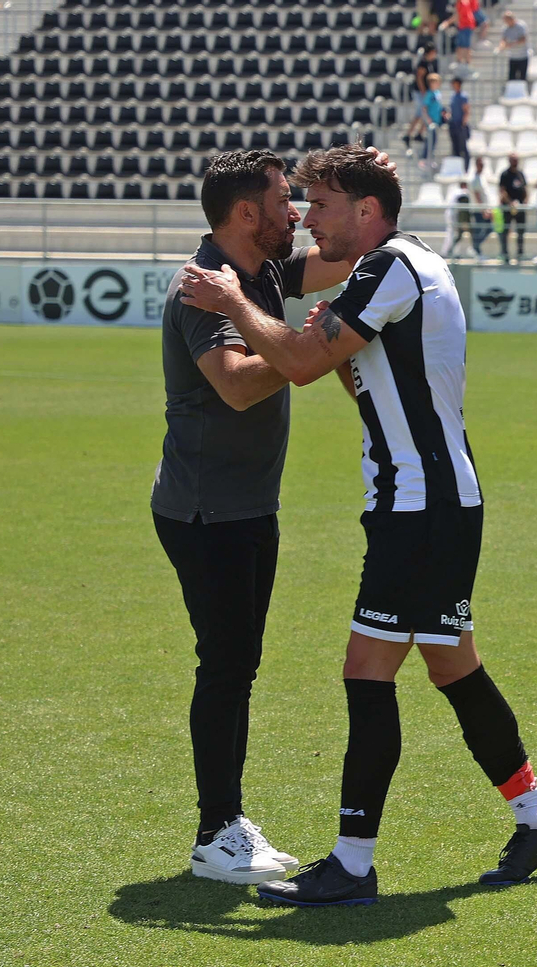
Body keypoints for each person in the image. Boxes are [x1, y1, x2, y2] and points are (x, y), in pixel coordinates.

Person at [177, 145, 537, 907]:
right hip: (440, 499)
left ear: (365, 210)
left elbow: (298, 363)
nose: (307, 220)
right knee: (453, 666)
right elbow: (365, 378)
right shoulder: (411, 261)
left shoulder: (387, 268)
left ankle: (353, 864)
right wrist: (329, 348)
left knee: (367, 670)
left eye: (321, 205)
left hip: (418, 506)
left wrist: (232, 303)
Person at [155, 148, 383, 886]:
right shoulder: (204, 287)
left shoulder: (263, 274)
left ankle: (227, 823)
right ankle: (215, 831)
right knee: (225, 666)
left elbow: (345, 253)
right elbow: (235, 386)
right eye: (286, 200)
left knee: (238, 664)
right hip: (204, 509)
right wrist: (302, 350)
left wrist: (368, 182)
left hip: (247, 505)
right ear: (246, 212)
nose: (296, 213)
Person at [405, 73, 444, 161]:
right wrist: (428, 119)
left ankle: (429, 157)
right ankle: (425, 158)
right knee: (430, 140)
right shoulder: (429, 94)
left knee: (434, 140)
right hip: (431, 121)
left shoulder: (438, 93)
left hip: (437, 120)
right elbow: (424, 108)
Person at [498, 152, 528, 263]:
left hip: (520, 208)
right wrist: (510, 203)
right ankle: (505, 254)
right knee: (505, 231)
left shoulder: (520, 174)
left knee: (521, 231)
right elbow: (502, 191)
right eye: (513, 160)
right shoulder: (505, 175)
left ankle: (520, 253)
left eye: (516, 160)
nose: (515, 162)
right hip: (508, 208)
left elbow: (525, 189)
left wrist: (524, 201)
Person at [439, 0, 480, 69]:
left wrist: (447, 23)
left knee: (466, 45)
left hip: (466, 26)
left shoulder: (463, 3)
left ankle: (467, 63)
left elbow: (458, 15)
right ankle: (459, 61)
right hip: (462, 26)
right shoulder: (460, 3)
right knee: (460, 45)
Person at [498, 10, 529, 82]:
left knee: (522, 78)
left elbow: (523, 39)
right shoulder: (505, 28)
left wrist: (511, 44)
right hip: (512, 56)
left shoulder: (521, 26)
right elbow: (503, 40)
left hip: (522, 56)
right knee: (511, 78)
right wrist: (501, 46)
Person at [448, 76, 471, 169]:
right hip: (453, 124)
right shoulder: (453, 96)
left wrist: (463, 124)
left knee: (463, 148)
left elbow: (466, 111)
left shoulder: (463, 96)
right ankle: (456, 168)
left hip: (460, 125)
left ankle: (466, 167)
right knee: (455, 148)